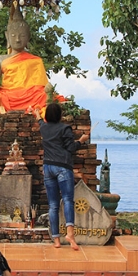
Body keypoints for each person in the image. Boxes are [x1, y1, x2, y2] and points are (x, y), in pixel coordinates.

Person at [36, 102, 88, 250]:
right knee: (67, 200)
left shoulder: (44, 128)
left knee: (53, 205)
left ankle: (56, 240)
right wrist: (81, 141)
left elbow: (40, 121)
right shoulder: (64, 128)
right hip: (62, 167)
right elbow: (71, 147)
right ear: (59, 115)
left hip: (48, 167)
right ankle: (70, 233)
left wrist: (37, 114)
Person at [0, 6, 49, 112]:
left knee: (44, 95)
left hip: (31, 95)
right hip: (8, 94)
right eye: (13, 35)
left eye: (22, 36)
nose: (17, 39)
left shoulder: (36, 60)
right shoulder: (0, 59)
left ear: (28, 37)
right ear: (7, 36)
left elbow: (42, 85)